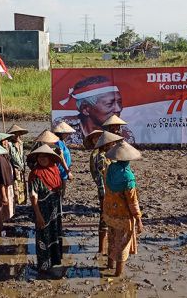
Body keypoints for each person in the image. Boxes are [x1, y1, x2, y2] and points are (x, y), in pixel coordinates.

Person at [53, 75, 135, 146]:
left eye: (119, 102)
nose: (118, 109)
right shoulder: (63, 126)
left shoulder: (124, 134)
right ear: (85, 109)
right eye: (110, 104)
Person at [103, 141, 144, 277]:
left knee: (112, 239)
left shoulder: (110, 169)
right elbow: (132, 202)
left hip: (109, 212)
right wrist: (138, 219)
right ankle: (117, 274)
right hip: (123, 216)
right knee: (123, 244)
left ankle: (109, 264)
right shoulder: (128, 177)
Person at [27, 144, 64, 274]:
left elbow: (59, 189)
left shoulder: (54, 170)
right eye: (39, 157)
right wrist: (38, 215)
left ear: (50, 158)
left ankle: (54, 261)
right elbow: (33, 197)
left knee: (54, 235)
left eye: (45, 157)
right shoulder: (35, 174)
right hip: (43, 212)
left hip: (55, 212)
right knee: (43, 238)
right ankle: (43, 266)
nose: (42, 159)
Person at [87, 130, 123, 255]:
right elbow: (101, 178)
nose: (114, 145)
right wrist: (104, 196)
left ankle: (103, 249)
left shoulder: (104, 155)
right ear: (107, 144)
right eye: (112, 143)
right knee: (104, 219)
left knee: (106, 219)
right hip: (105, 192)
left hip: (107, 191)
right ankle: (102, 249)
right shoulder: (101, 157)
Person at [0, 132, 16, 220]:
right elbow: (1, 178)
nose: (6, 142)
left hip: (7, 186)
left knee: (7, 210)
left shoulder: (5, 155)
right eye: (4, 141)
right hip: (3, 188)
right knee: (2, 209)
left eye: (6, 140)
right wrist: (4, 195)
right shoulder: (0, 158)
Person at [52, 122, 75, 197]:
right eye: (66, 133)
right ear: (61, 133)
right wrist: (67, 171)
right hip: (60, 171)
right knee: (59, 192)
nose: (68, 135)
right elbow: (61, 158)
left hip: (63, 171)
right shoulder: (58, 142)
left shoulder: (62, 142)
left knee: (62, 192)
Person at [7, 124, 28, 205]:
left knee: (21, 186)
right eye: (15, 134)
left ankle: (20, 203)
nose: (17, 136)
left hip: (21, 169)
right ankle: (14, 203)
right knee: (15, 187)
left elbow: (22, 157)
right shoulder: (9, 145)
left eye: (18, 134)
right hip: (14, 169)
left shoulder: (21, 144)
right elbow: (8, 158)